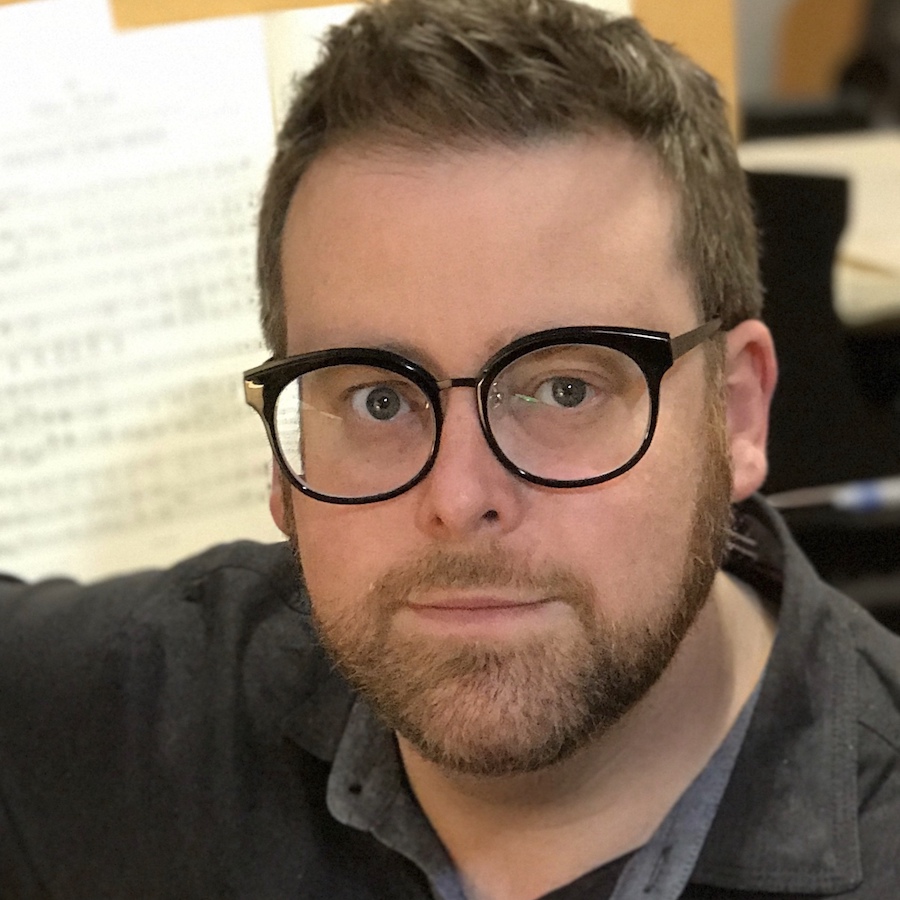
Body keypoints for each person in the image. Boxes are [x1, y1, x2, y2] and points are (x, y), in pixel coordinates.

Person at [1, 0, 899, 897]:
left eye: (565, 389)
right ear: (284, 465)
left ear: (736, 414)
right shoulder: (148, 708)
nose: (459, 494)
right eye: (378, 399)